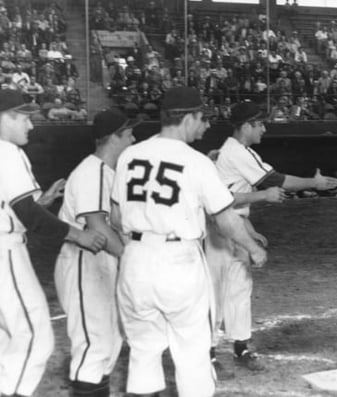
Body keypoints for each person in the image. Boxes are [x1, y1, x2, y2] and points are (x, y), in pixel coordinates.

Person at [110, 87, 267, 397]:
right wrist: (253, 248)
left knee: (143, 354)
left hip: (135, 260)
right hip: (179, 261)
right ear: (187, 118)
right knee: (193, 356)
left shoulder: (130, 155)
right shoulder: (196, 162)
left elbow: (116, 217)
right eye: (202, 118)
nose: (205, 126)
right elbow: (225, 220)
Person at [205, 100, 337, 374]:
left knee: (240, 286)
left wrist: (250, 230)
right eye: (259, 124)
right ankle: (207, 353)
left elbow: (235, 197)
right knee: (214, 292)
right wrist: (313, 183)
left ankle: (240, 347)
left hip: (232, 223)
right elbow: (275, 181)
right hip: (217, 228)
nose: (264, 129)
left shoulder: (230, 151)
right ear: (245, 126)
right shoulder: (237, 152)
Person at [0, 88, 107, 397]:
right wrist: (79, 235)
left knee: (9, 339)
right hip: (5, 253)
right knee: (36, 336)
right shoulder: (7, 151)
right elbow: (28, 214)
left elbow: (19, 209)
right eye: (22, 118)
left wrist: (41, 203)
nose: (30, 126)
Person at [54, 108, 141, 397]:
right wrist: (131, 259)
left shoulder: (109, 172)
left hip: (102, 261)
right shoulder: (92, 171)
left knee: (108, 341)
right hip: (84, 262)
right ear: (114, 138)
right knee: (94, 343)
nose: (133, 139)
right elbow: (97, 227)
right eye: (128, 134)